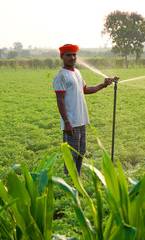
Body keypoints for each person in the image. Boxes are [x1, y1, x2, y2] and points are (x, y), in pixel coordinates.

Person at [53, 44, 113, 175]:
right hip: (71, 123)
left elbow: (85, 89)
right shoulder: (61, 76)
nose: (72, 57)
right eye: (68, 55)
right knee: (71, 155)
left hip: (81, 120)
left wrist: (103, 85)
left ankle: (77, 179)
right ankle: (70, 182)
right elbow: (60, 100)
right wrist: (66, 122)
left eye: (74, 55)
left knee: (81, 152)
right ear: (62, 56)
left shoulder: (77, 73)